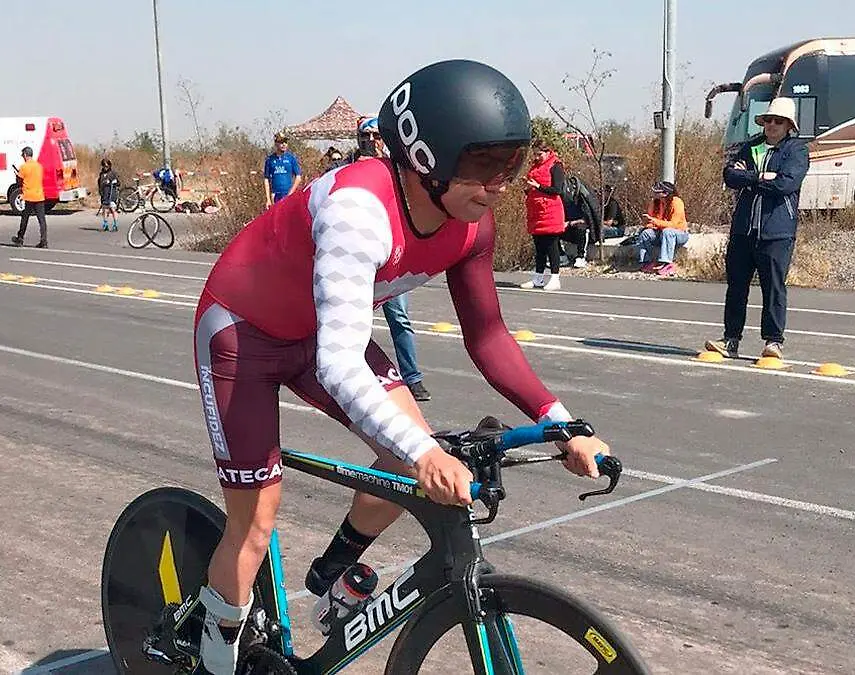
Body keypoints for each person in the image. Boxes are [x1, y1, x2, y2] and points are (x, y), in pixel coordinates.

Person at [191, 59, 611, 674]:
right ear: (424, 158)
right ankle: (213, 651)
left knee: (405, 448)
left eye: (510, 165)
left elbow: (489, 335)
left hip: (321, 329)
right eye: (482, 165)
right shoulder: (359, 210)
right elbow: (339, 365)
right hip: (242, 334)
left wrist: (562, 423)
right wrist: (423, 454)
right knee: (256, 521)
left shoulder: (471, 222)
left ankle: (332, 574)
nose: (499, 185)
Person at [706, 97, 809, 360]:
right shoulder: (750, 146)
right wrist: (761, 176)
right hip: (743, 229)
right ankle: (731, 339)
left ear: (789, 126)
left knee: (773, 288)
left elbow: (786, 184)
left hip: (776, 232)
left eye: (779, 121)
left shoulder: (796, 151)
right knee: (736, 287)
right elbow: (730, 176)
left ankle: (773, 341)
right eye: (769, 120)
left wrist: (749, 179)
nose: (772, 125)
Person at [353, 115, 431, 402]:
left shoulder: (397, 168)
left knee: (399, 318)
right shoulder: (348, 168)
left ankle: (413, 378)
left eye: (376, 136)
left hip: (392, 256)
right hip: (358, 257)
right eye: (366, 136)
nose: (371, 141)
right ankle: (359, 378)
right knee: (354, 321)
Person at [521, 138, 566, 290]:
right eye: (535, 154)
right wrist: (528, 188)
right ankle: (538, 277)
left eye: (539, 154)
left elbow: (557, 190)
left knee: (552, 246)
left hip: (550, 211)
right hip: (536, 211)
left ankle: (555, 278)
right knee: (539, 247)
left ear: (547, 152)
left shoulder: (556, 166)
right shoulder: (535, 166)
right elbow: (533, 188)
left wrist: (538, 186)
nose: (537, 157)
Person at [636, 180, 688, 276]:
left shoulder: (676, 202)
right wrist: (648, 224)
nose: (654, 193)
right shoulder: (655, 203)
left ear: (665, 193)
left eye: (657, 192)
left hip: (679, 234)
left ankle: (667, 263)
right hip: (661, 232)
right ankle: (647, 262)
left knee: (668, 232)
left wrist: (654, 221)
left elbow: (673, 225)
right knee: (645, 234)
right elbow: (653, 222)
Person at [12, 146, 47, 248]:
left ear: (25, 155)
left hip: (28, 196)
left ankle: (20, 238)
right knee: (42, 220)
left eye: (23, 155)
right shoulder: (39, 166)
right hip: (39, 195)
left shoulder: (24, 167)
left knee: (25, 218)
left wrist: (17, 175)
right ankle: (44, 241)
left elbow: (19, 181)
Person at [262, 132, 302, 208]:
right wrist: (268, 199)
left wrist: (290, 193)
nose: (284, 144)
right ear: (276, 143)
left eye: (285, 142)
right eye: (281, 142)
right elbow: (266, 179)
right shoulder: (270, 160)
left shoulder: (291, 158)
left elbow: (298, 177)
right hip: (275, 195)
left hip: (288, 194)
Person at [97, 158, 119, 232]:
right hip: (104, 194)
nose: (105, 167)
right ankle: (105, 224)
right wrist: (100, 192)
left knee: (113, 209)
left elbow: (118, 183)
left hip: (111, 193)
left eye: (106, 166)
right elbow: (99, 184)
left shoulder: (113, 173)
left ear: (109, 165)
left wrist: (113, 182)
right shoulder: (101, 174)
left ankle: (115, 225)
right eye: (104, 166)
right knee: (105, 210)